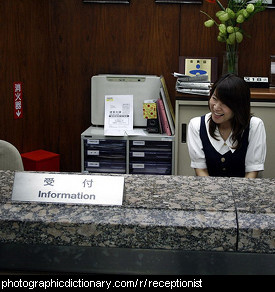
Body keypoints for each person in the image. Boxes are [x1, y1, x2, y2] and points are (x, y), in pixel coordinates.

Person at [187, 73, 266, 178]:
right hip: (208, 189)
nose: (216, 107)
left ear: (238, 106)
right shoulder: (196, 125)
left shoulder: (254, 126)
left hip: (244, 190)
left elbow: (251, 173)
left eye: (224, 103)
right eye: (214, 98)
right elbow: (201, 171)